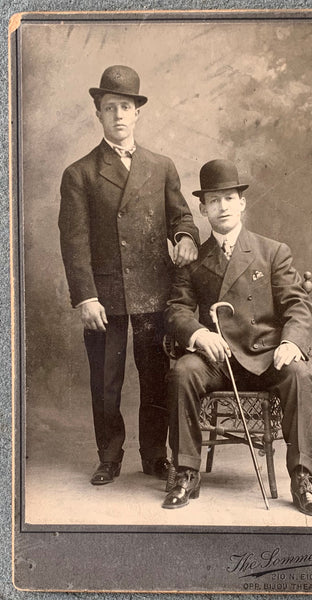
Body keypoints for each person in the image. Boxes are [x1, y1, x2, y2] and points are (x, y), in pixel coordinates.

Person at [59, 65, 199, 486]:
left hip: (155, 298)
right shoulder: (79, 173)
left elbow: (182, 216)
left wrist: (186, 237)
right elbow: (74, 242)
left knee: (156, 382)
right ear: (98, 115)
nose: (118, 115)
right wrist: (86, 297)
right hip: (105, 299)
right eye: (109, 108)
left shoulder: (161, 166)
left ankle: (155, 457)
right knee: (106, 384)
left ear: (138, 113)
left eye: (125, 107)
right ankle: (109, 456)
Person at [162, 159, 312, 516]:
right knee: (182, 372)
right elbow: (177, 310)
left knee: (301, 376)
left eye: (229, 199)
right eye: (214, 201)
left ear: (242, 203)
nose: (222, 207)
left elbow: (297, 305)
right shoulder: (192, 261)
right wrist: (199, 334)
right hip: (216, 361)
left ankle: (303, 477)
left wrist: (291, 343)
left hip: (266, 355)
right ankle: (186, 472)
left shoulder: (272, 251)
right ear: (202, 209)